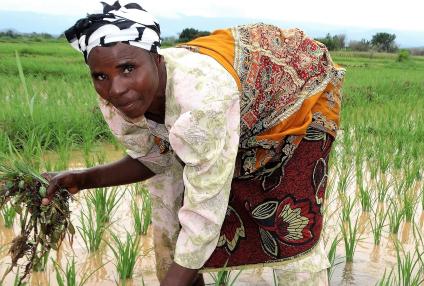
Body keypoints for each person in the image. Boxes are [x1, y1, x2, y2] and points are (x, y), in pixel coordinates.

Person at [43, 1, 345, 285]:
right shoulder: (115, 99)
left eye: (127, 69)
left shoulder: (202, 101)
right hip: (227, 107)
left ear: (157, 61)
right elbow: (154, 159)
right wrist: (83, 178)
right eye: (100, 76)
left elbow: (204, 211)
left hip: (293, 99)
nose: (116, 89)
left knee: (291, 227)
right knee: (171, 225)